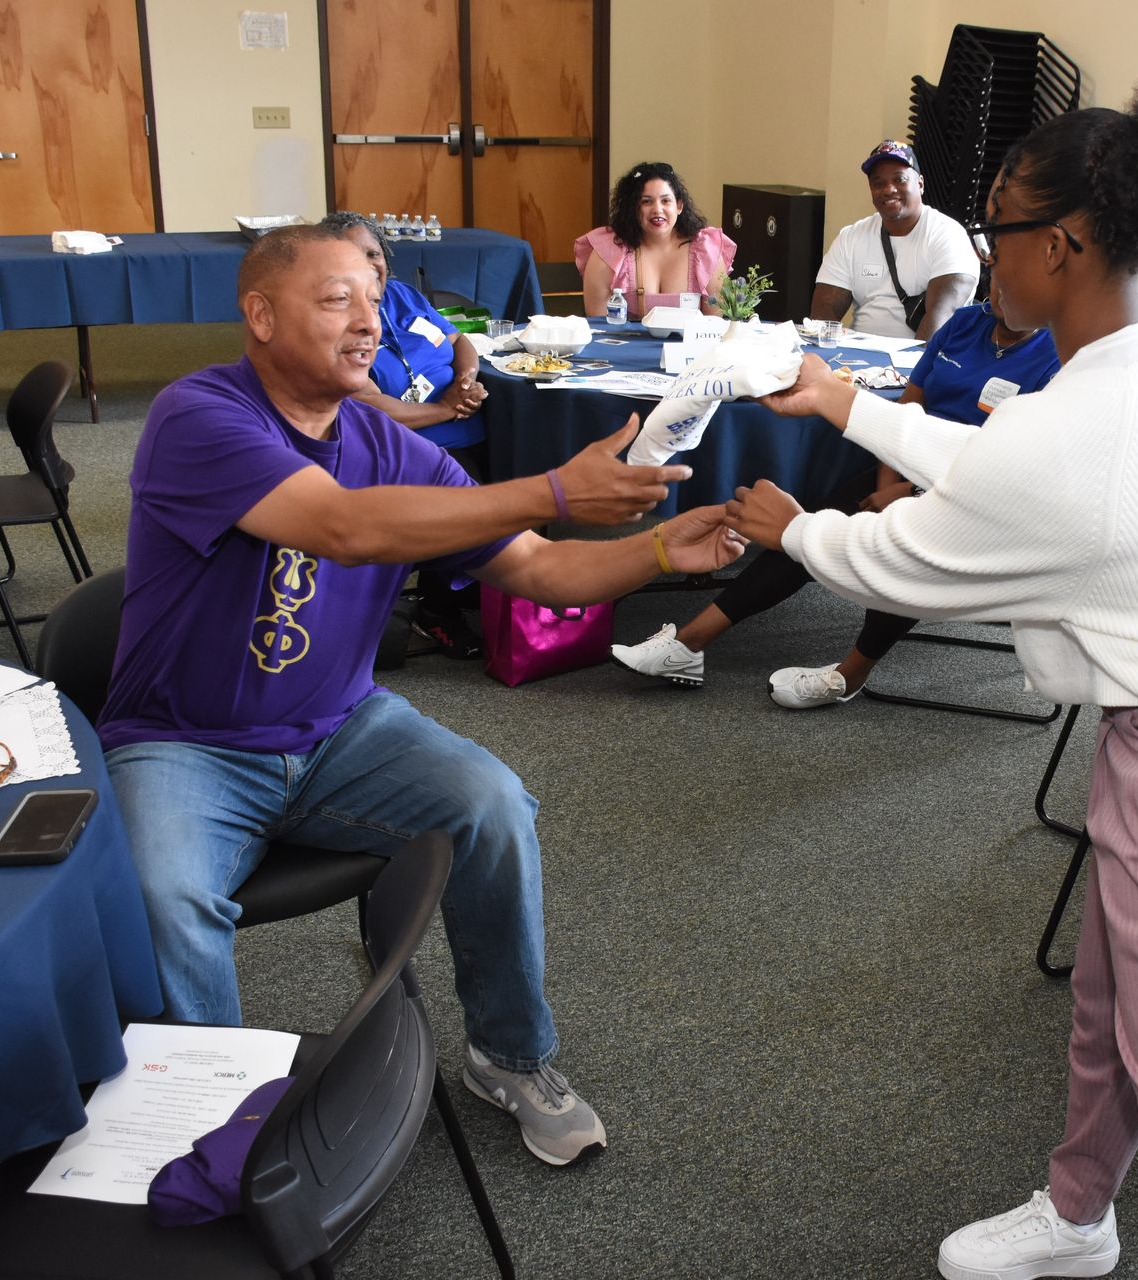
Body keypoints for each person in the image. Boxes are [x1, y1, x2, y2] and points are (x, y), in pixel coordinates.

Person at [731, 76, 1138, 1279]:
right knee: (1112, 1016)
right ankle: (1077, 1214)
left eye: (999, 223)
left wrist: (792, 528)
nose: (985, 245)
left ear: (1060, 243)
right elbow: (1006, 463)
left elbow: (915, 552)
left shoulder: (1086, 421)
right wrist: (852, 403)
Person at [98, 224, 744, 1167]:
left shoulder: (384, 442)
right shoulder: (198, 415)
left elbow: (541, 570)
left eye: (375, 297)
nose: (368, 325)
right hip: (184, 741)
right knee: (163, 894)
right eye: (336, 302)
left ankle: (510, 1056)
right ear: (261, 314)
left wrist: (654, 552)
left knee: (491, 804)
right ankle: (215, 1119)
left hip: (338, 730)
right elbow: (340, 525)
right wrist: (554, 486)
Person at [610, 276, 1060, 707]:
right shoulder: (966, 322)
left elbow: (1012, 466)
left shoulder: (1058, 357)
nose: (1003, 292)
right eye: (998, 277)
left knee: (904, 547)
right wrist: (894, 487)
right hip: (903, 465)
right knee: (803, 527)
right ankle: (689, 645)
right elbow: (908, 410)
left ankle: (851, 674)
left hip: (978, 498)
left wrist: (909, 494)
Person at [320, 210, 490, 657]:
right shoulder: (333, 317)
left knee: (527, 464)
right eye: (354, 255)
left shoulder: (403, 295)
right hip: (399, 444)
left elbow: (457, 342)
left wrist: (465, 381)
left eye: (373, 253)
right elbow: (370, 404)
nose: (368, 263)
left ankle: (482, 583)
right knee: (462, 497)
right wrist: (444, 409)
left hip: (463, 422)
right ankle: (438, 610)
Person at [810, 140, 979, 340]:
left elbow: (940, 323)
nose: (888, 189)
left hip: (916, 362)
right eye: (878, 183)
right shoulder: (851, 237)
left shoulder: (949, 236)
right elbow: (822, 319)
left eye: (899, 179)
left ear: (920, 184)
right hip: (857, 359)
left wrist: (903, 370)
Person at [575, 162, 736, 317]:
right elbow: (599, 327)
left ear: (679, 206)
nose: (657, 209)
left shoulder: (706, 250)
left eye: (666, 201)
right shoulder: (607, 251)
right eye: (647, 202)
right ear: (633, 208)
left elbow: (714, 325)